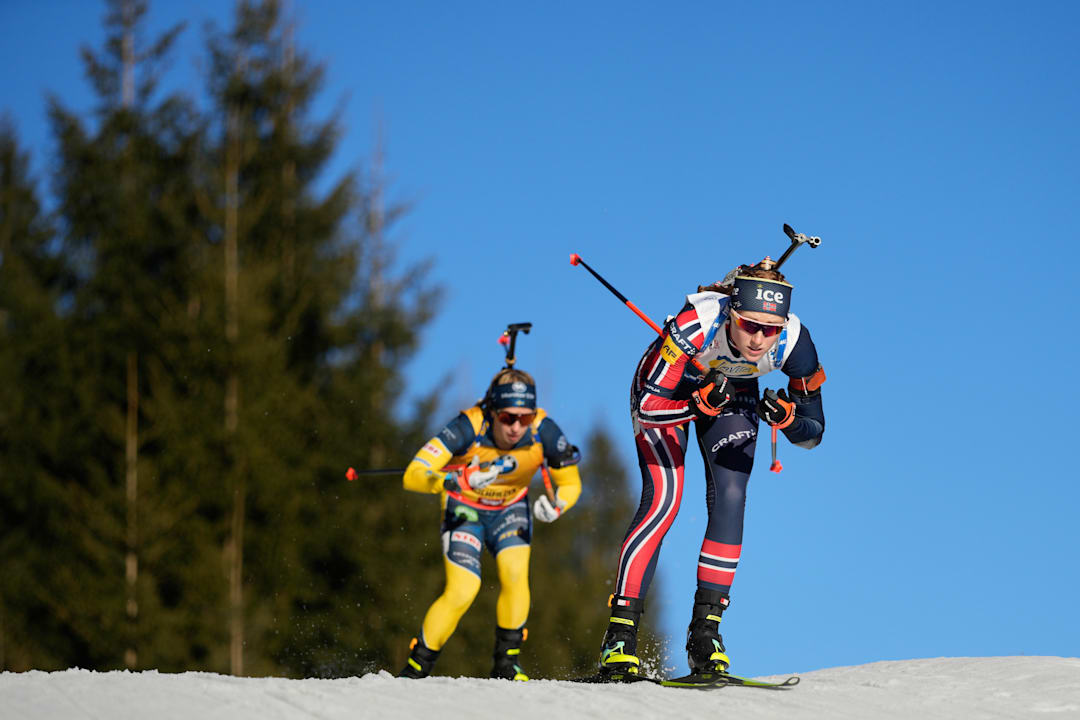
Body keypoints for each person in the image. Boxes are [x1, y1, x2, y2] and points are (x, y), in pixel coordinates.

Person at [596, 256, 826, 678]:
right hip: (670, 390)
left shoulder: (796, 342)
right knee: (664, 501)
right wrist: (697, 403)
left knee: (732, 498)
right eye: (749, 325)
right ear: (731, 313)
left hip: (734, 393)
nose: (759, 340)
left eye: (769, 329)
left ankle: (706, 635)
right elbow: (649, 405)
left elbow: (813, 435)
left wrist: (787, 418)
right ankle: (620, 639)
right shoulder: (697, 322)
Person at [398, 366, 582, 680]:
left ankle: (506, 665)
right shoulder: (469, 425)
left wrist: (558, 506)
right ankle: (417, 668)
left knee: (514, 575)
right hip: (464, 507)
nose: (515, 427)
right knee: (463, 589)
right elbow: (412, 476)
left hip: (510, 507)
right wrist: (458, 480)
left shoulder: (544, 430)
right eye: (507, 418)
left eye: (524, 418)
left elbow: (571, 484)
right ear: (492, 411)